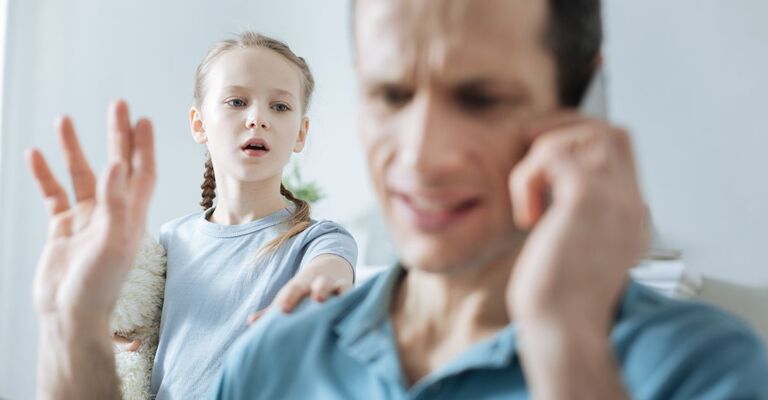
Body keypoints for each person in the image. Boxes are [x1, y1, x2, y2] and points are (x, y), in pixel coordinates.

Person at [29, 0, 768, 399]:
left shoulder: (703, 370)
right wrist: (72, 326)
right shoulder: (272, 365)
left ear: (584, 101)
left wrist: (568, 351)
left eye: (479, 98)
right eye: (389, 93)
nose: (418, 155)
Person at [31, 32, 357, 399]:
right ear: (199, 124)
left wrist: (315, 293)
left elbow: (330, 275)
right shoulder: (173, 238)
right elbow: (140, 324)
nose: (257, 118)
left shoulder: (321, 239)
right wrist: (100, 325)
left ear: (301, 132)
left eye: (280, 107)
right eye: (237, 101)